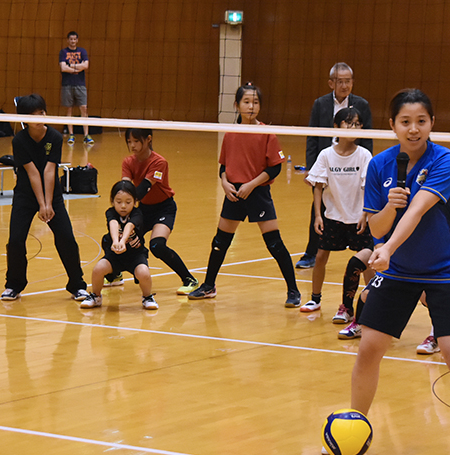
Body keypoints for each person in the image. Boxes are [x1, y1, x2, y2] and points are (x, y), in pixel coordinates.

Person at [347, 88, 450, 455]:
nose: (413, 129)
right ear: (392, 125)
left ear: (431, 123)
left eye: (421, 121)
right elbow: (376, 227)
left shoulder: (444, 160)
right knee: (369, 348)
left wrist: (389, 246)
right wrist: (388, 207)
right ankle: (355, 430)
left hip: (444, 269)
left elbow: (417, 210)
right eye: (405, 122)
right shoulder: (379, 165)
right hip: (398, 270)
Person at [188, 83, 301, 306]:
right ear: (237, 105)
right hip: (234, 194)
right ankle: (209, 285)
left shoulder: (266, 133)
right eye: (247, 102)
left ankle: (293, 291)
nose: (251, 107)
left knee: (274, 243)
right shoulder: (231, 133)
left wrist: (252, 184)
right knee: (220, 242)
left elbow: (275, 168)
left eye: (255, 102)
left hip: (257, 192)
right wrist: (224, 183)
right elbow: (223, 166)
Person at [1, 94, 87, 301]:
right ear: (24, 119)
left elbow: (49, 171)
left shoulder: (54, 137)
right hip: (25, 195)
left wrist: (48, 204)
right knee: (15, 240)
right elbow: (32, 173)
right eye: (33, 115)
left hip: (52, 194)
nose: (39, 118)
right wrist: (41, 204)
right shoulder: (19, 140)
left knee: (66, 238)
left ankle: (77, 285)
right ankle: (14, 285)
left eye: (41, 113)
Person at [301, 107, 373, 325]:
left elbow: (369, 187)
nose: (353, 128)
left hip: (358, 217)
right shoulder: (326, 155)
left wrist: (365, 214)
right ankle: (315, 299)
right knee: (320, 257)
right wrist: (318, 216)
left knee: (367, 262)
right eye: (348, 123)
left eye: (357, 124)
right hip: (332, 216)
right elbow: (318, 186)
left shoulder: (364, 155)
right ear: (336, 126)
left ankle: (372, 302)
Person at [299, 62, 374, 269]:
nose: (344, 85)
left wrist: (369, 166)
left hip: (353, 160)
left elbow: (368, 137)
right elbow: (312, 136)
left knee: (356, 205)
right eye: (340, 81)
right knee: (319, 208)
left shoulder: (362, 104)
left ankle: (364, 251)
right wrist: (311, 168)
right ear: (331, 83)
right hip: (328, 160)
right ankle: (311, 253)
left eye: (348, 81)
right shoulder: (320, 103)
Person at [115, 127, 198, 294]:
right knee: (121, 236)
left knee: (157, 245)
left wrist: (127, 201)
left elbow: (143, 189)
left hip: (164, 209)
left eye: (136, 141)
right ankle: (114, 274)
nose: (132, 145)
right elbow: (126, 187)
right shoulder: (128, 162)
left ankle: (189, 279)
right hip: (143, 209)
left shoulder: (159, 162)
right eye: (129, 142)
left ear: (148, 139)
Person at [78, 180, 157, 310]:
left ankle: (147, 297)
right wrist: (115, 242)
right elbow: (113, 224)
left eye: (128, 202)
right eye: (119, 202)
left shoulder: (137, 213)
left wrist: (123, 241)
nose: (123, 206)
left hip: (135, 256)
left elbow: (130, 226)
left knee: (144, 273)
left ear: (135, 202)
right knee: (98, 269)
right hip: (114, 256)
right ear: (112, 201)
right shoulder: (110, 213)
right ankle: (96, 296)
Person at [59, 31, 93, 146]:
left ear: (77, 40)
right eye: (71, 39)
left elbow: (86, 65)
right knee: (69, 110)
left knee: (84, 108)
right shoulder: (63, 52)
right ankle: (71, 135)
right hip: (67, 84)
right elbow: (63, 68)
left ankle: (86, 135)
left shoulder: (82, 51)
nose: (73, 41)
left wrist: (71, 66)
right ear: (67, 40)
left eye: (74, 39)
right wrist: (78, 68)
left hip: (80, 84)